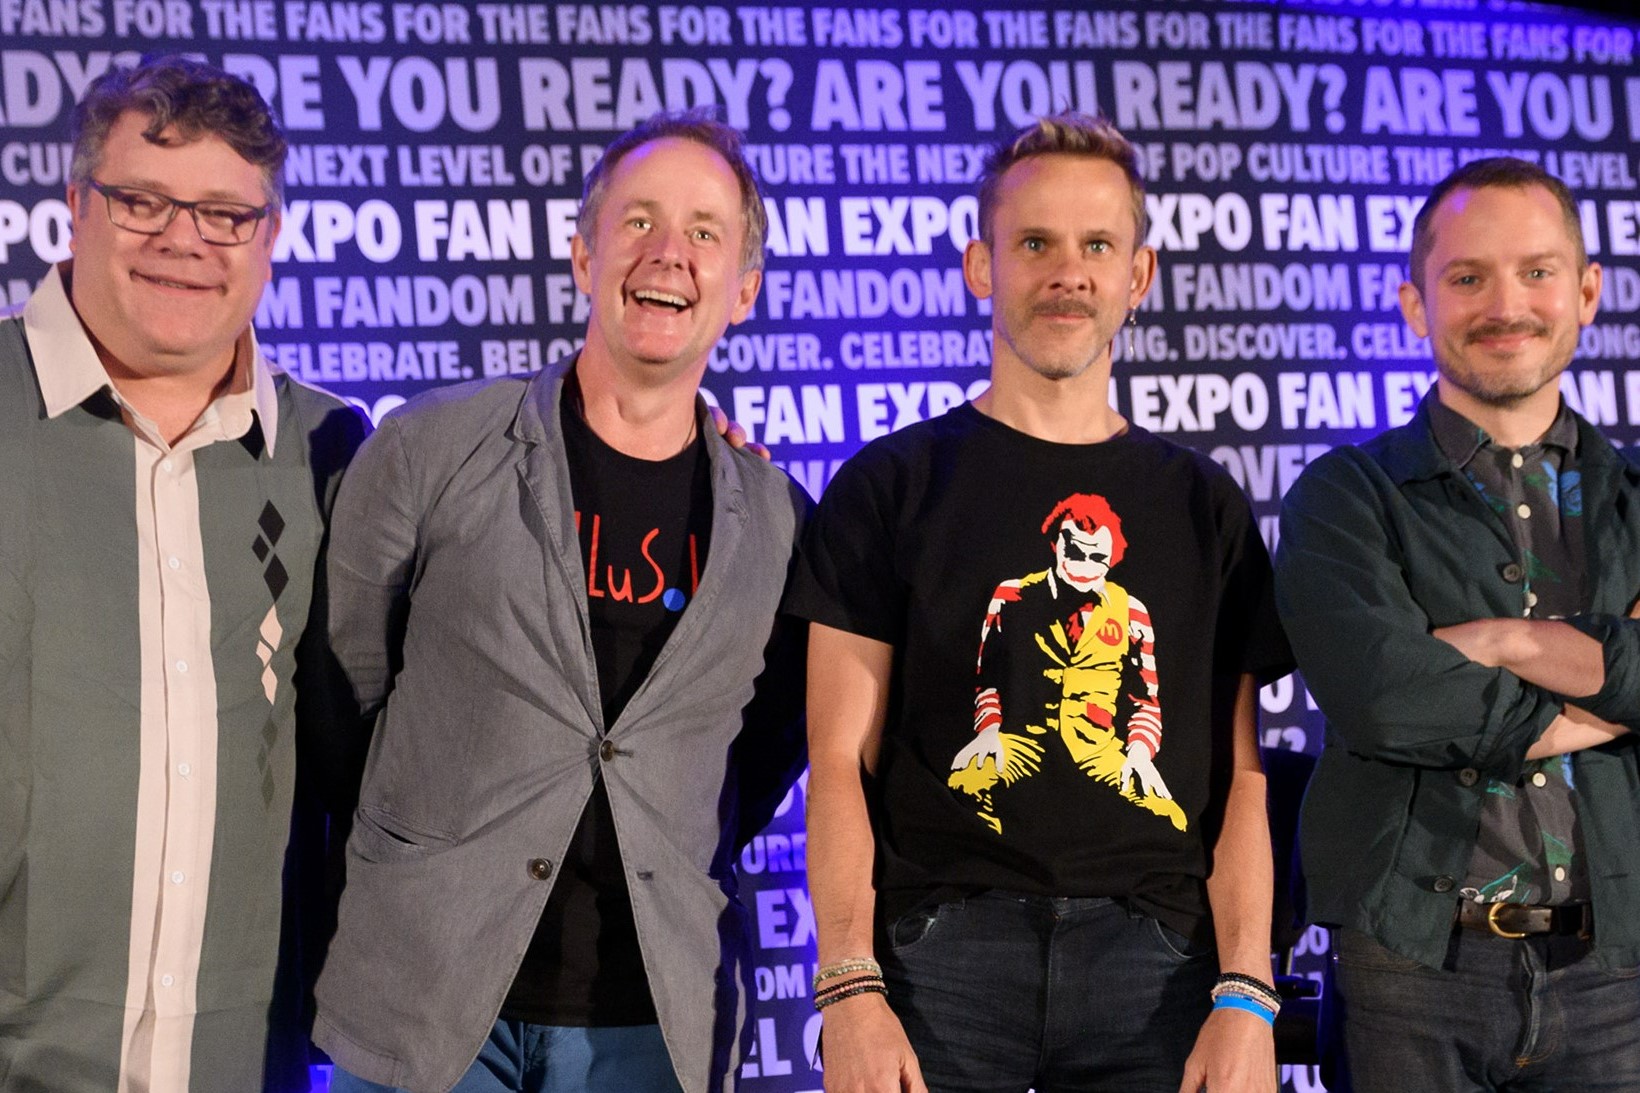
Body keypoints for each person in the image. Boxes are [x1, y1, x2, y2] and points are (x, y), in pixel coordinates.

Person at [787, 112, 1292, 1093]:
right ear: (981, 265)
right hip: (938, 954)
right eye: (1034, 244)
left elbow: (1240, 779)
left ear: (1136, 275)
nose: (1067, 272)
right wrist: (848, 984)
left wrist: (1245, 991)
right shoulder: (890, 485)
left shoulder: (1203, 507)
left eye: (1095, 244)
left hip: (1157, 959)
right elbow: (834, 761)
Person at [311, 109, 809, 1093]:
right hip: (424, 998)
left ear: (742, 290)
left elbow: (767, 748)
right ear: (583, 256)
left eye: (704, 232)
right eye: (637, 222)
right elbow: (342, 683)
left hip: (649, 1021)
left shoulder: (783, 523)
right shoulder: (431, 446)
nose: (667, 253)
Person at [0, 57, 367, 1091]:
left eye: (223, 214)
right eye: (142, 201)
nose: (184, 242)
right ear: (75, 206)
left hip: (242, 1060)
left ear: (270, 240)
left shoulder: (333, 451)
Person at [1275, 155, 1640, 1091]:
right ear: (1414, 302)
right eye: (1467, 277)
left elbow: (1429, 681)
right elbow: (1386, 696)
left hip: (1618, 974)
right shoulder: (1344, 496)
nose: (1504, 304)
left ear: (1589, 291)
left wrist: (1505, 640)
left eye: (1536, 271)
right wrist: (1608, 685)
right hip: (1410, 966)